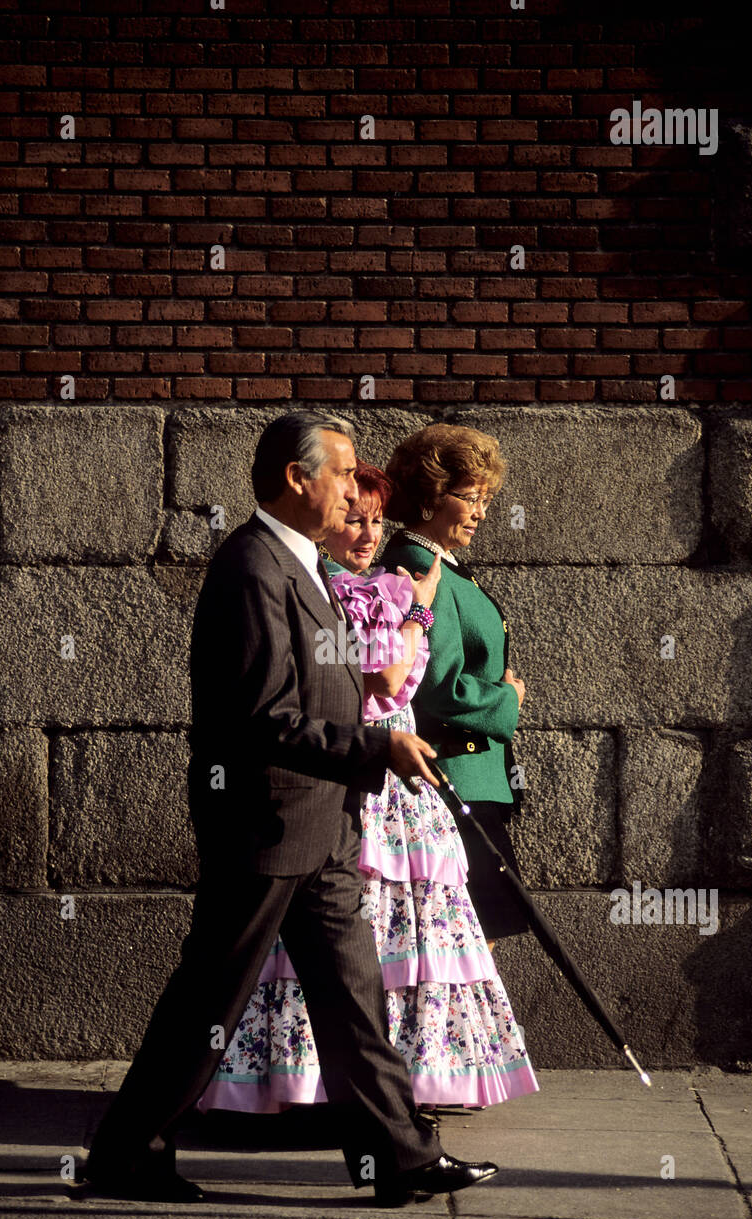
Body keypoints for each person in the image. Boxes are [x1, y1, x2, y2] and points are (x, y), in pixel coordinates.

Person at [82, 410, 498, 1207]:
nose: (354, 488)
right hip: (266, 825)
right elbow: (262, 714)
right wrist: (377, 749)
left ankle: (402, 1157)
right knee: (208, 996)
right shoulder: (251, 567)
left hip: (324, 822)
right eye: (342, 472)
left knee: (353, 997)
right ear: (295, 479)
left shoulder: (300, 562)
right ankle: (124, 1154)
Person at [197, 461, 538, 1119]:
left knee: (400, 934)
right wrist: (416, 616)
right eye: (354, 517)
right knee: (332, 941)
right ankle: (310, 1089)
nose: (366, 532)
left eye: (375, 521)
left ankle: (399, 1095)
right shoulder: (325, 585)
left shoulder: (377, 584)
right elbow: (386, 679)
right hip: (351, 769)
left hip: (395, 774)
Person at [380, 423, 531, 943]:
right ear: (431, 498)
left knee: (470, 952)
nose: (482, 513)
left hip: (474, 780)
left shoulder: (444, 566)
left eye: (487, 499)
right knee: (469, 954)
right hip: (454, 781)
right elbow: (436, 686)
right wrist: (506, 700)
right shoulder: (422, 568)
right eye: (471, 498)